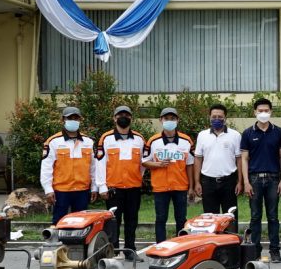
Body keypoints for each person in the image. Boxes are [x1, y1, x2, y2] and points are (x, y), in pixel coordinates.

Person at [94, 105, 144, 255]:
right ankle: (113, 250)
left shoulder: (139, 139)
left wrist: (137, 177)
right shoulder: (106, 138)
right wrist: (102, 186)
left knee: (132, 220)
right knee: (113, 221)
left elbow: (143, 163)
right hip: (113, 188)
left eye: (127, 115)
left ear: (131, 118)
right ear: (114, 118)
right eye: (120, 115)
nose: (123, 117)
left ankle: (130, 249)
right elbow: (100, 163)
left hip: (134, 188)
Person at [242, 98, 281, 262]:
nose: (263, 113)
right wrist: (246, 182)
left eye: (266, 110)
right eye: (260, 111)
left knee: (273, 216)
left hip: (274, 179)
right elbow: (244, 159)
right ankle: (255, 250)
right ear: (255, 112)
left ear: (271, 111)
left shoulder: (279, 132)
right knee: (255, 217)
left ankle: (275, 250)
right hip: (254, 179)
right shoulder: (247, 133)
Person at [143, 108, 195, 243]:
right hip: (160, 187)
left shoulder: (186, 140)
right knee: (160, 218)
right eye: (166, 119)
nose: (169, 121)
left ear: (177, 120)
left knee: (181, 218)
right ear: (161, 120)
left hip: (180, 186)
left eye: (173, 118)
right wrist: (158, 164)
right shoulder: (153, 141)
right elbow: (144, 161)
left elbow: (190, 164)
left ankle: (181, 245)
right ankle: (160, 246)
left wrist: (191, 187)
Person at [40, 106, 97, 225]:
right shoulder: (54, 141)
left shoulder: (88, 142)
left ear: (80, 120)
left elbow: (94, 167)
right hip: (61, 191)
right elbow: (46, 168)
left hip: (82, 190)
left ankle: (79, 244)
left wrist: (94, 187)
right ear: (63, 120)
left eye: (76, 118)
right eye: (70, 118)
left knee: (82, 223)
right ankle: (57, 243)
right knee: (59, 222)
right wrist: (48, 189)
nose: (73, 120)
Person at [194, 103, 242, 220]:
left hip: (229, 181)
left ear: (225, 118)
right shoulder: (202, 135)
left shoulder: (235, 135)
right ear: (209, 117)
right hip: (208, 182)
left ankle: (231, 238)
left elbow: (239, 159)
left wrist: (240, 182)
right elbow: (198, 158)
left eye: (220, 117)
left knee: (230, 217)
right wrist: (197, 182)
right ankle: (213, 239)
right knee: (210, 218)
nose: (217, 119)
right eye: (214, 117)